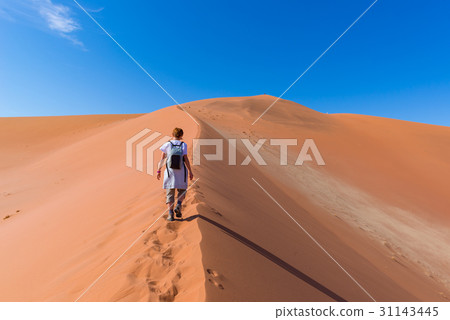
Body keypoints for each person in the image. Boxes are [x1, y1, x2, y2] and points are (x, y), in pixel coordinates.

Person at [157, 127, 194, 221]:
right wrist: (190, 171)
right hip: (181, 172)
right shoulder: (183, 145)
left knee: (170, 194)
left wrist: (159, 170)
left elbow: (162, 159)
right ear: (181, 136)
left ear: (172, 135)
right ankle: (178, 205)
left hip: (170, 173)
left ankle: (170, 214)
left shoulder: (167, 145)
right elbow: (186, 159)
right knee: (182, 190)